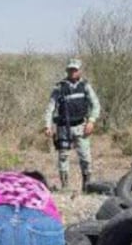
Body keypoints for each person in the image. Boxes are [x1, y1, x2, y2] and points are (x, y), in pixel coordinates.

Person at [43, 58, 101, 191]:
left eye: (75, 70)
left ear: (79, 71)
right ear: (67, 70)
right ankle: (65, 186)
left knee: (85, 157)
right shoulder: (59, 87)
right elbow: (50, 108)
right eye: (70, 70)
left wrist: (91, 121)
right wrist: (48, 125)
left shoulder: (85, 86)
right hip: (63, 127)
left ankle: (87, 187)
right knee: (63, 156)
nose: (72, 72)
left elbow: (96, 105)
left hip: (81, 126)